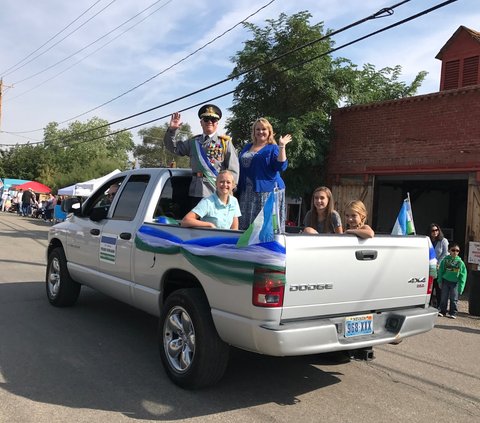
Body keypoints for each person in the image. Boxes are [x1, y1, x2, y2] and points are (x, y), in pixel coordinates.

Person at [163, 104, 239, 206]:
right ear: (201, 122)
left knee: (215, 222)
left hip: (217, 192)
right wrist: (172, 131)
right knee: (196, 221)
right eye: (206, 119)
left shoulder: (225, 143)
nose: (210, 122)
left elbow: (233, 171)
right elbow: (174, 148)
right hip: (197, 191)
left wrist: (229, 191)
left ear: (217, 123)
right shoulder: (193, 142)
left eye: (213, 120)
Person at [237, 118, 292, 231]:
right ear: (254, 132)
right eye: (258, 129)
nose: (260, 132)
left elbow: (281, 166)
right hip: (247, 191)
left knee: (263, 227)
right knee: (245, 226)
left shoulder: (273, 148)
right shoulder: (247, 147)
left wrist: (282, 146)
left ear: (269, 132)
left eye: (264, 129)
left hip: (266, 192)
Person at [437, 242, 467, 319]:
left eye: (457, 251)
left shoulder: (460, 262)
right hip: (445, 281)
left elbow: (463, 275)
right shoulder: (445, 260)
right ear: (449, 251)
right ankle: (442, 311)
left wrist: (461, 287)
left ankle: (453, 312)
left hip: (455, 283)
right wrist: (439, 281)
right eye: (453, 250)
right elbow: (441, 271)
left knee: (454, 299)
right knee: (444, 297)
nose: (455, 252)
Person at [428, 223, 449, 307]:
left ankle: (440, 306)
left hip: (439, 267)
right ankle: (428, 305)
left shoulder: (443, 241)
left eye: (436, 230)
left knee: (438, 287)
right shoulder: (428, 241)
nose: (435, 232)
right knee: (429, 287)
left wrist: (438, 263)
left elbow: (445, 254)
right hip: (428, 267)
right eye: (433, 230)